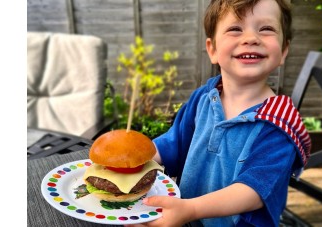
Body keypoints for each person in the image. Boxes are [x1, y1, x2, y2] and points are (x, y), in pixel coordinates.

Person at [128, 0, 311, 226]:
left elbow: (252, 190)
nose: (251, 38)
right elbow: (173, 143)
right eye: (235, 29)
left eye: (266, 29)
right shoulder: (202, 99)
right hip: (185, 217)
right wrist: (138, 155)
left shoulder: (280, 124)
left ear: (283, 51)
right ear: (212, 49)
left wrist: (190, 209)